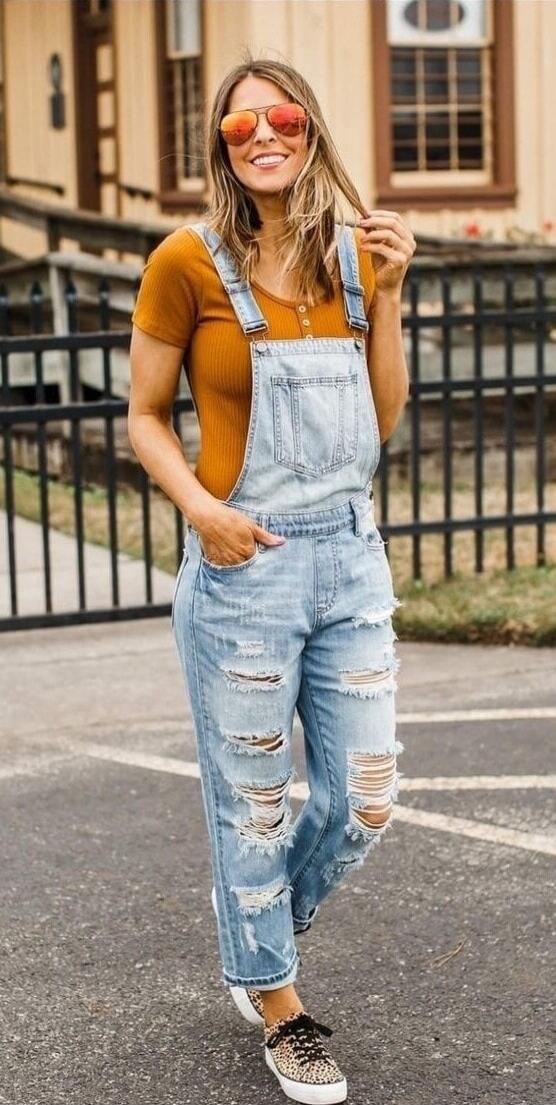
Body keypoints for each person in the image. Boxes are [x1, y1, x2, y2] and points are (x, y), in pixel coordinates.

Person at [129, 53, 414, 1105]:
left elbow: (380, 417)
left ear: (310, 132)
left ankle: (252, 925)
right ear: (220, 144)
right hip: (240, 564)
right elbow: (145, 418)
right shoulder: (185, 263)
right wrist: (202, 511)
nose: (262, 134)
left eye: (282, 116)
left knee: (365, 798)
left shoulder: (352, 257)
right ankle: (279, 1002)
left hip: (348, 551)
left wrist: (388, 291)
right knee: (251, 805)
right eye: (239, 123)